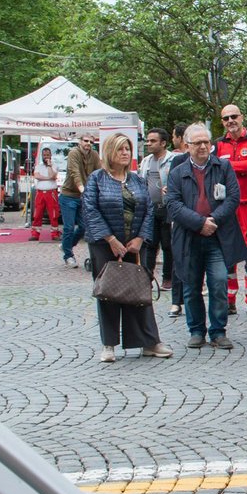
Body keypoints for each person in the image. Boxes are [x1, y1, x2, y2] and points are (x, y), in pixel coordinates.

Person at [81, 133, 171, 364]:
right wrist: (110, 239)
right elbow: (90, 210)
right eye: (120, 149)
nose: (125, 153)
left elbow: (149, 209)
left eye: (128, 149)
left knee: (139, 292)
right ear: (110, 152)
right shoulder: (97, 179)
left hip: (134, 245)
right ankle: (109, 344)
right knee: (109, 292)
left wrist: (141, 238)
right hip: (104, 245)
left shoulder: (137, 180)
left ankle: (148, 341)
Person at [167, 123, 246, 351]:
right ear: (187, 146)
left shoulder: (223, 167)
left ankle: (218, 330)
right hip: (189, 238)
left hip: (217, 237)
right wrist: (199, 223)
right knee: (191, 287)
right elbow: (173, 204)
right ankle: (196, 330)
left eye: (206, 142)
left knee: (219, 282)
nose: (203, 146)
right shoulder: (177, 173)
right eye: (197, 143)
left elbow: (233, 198)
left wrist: (212, 220)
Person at [215, 104, 247, 317]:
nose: (230, 121)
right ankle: (229, 299)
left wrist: (227, 166)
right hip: (226, 205)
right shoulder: (217, 144)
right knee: (227, 251)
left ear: (241, 117)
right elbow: (213, 167)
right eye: (226, 118)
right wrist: (241, 165)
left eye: (233, 116)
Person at [138, 129, 177, 297]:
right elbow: (141, 182)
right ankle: (147, 277)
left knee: (168, 244)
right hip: (151, 208)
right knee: (149, 244)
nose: (148, 144)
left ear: (163, 143)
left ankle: (167, 278)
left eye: (152, 141)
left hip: (168, 208)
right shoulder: (146, 161)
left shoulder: (173, 160)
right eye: (148, 140)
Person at [59, 132, 100, 269]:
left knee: (84, 227)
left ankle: (67, 246)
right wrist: (82, 189)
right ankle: (68, 256)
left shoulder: (94, 155)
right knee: (69, 227)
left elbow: (98, 173)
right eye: (86, 141)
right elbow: (74, 172)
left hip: (84, 196)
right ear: (80, 141)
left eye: (91, 142)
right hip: (69, 195)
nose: (88, 144)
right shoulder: (73, 153)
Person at [30, 144, 62, 243]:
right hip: (40, 193)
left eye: (48, 155)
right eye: (44, 155)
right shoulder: (38, 166)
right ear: (42, 156)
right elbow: (37, 176)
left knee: (53, 214)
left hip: (51, 193)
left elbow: (53, 176)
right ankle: (35, 234)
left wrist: (49, 166)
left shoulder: (55, 166)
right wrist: (48, 178)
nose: (46, 157)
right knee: (37, 213)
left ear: (50, 155)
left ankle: (54, 234)